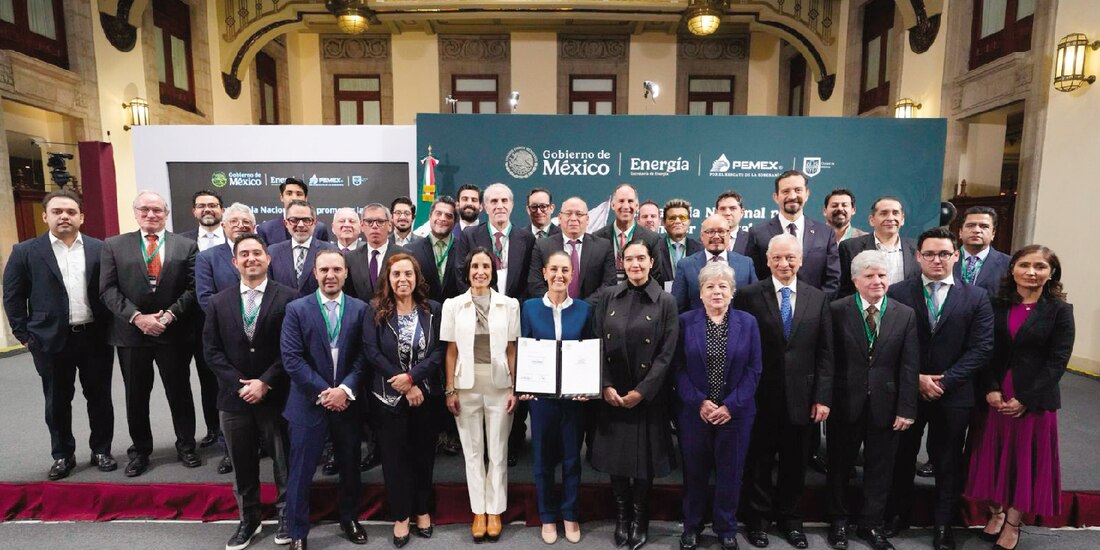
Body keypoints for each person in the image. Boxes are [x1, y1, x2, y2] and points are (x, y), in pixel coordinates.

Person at [882, 227, 994, 550]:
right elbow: (887, 344)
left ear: (956, 256)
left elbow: (982, 348)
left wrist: (945, 381)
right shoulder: (897, 293)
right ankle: (897, 516)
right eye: (929, 254)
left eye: (944, 253)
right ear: (918, 257)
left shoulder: (976, 297)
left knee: (947, 462)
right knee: (902, 457)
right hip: (908, 390)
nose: (937, 260)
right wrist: (916, 378)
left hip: (954, 394)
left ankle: (943, 525)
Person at [965, 245, 1075, 550]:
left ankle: (1013, 524)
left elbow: (1058, 360)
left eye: (1040, 266)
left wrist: (1025, 397)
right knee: (991, 458)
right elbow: (984, 349)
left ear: (1051, 273)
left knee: (1023, 463)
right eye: (1025, 265)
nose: (1031, 272)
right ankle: (996, 513)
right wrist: (989, 388)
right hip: (994, 397)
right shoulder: (995, 304)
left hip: (1033, 402)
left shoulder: (1060, 311)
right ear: (1012, 269)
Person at [3, 189, 116, 479]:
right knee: (56, 400)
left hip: (95, 336)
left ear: (81, 217)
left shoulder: (99, 248)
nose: (64, 216)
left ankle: (101, 450)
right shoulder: (25, 251)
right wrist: (24, 335)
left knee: (100, 397)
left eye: (70, 212)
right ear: (45, 216)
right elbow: (13, 297)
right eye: (57, 212)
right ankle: (63, 455)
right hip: (50, 339)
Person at [735, 234, 834, 550]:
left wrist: (822, 396)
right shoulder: (749, 296)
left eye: (790, 257)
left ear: (801, 259)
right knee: (759, 463)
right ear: (767, 260)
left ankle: (791, 520)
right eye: (777, 257)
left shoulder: (817, 298)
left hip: (804, 401)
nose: (784, 263)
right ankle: (758, 520)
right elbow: (740, 350)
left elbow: (825, 353)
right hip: (760, 398)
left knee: (795, 464)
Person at [203, 233, 297, 550]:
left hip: (276, 395)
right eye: (244, 254)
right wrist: (239, 383)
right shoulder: (218, 302)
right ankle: (250, 521)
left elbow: (292, 349)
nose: (251, 258)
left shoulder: (289, 298)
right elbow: (212, 351)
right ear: (235, 262)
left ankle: (287, 517)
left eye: (257, 253)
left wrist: (265, 382)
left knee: (283, 462)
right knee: (243, 465)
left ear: (268, 258)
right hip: (234, 399)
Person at [100, 191, 200, 477]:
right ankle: (140, 451)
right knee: (136, 395)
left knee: (179, 392)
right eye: (144, 209)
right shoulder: (114, 246)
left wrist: (168, 316)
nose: (151, 215)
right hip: (131, 335)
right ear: (135, 213)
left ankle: (186, 446)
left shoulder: (186, 246)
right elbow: (107, 290)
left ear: (166, 214)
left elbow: (193, 288)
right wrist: (137, 318)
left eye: (157, 210)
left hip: (174, 333)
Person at [826, 250, 919, 550]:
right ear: (855, 281)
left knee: (880, 468)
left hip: (887, 405)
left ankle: (870, 524)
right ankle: (838, 523)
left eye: (882, 275)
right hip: (844, 403)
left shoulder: (904, 314)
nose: (877, 281)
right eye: (869, 276)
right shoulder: (837, 310)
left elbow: (909, 365)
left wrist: (906, 408)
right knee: (839, 466)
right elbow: (828, 361)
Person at [590, 239, 678, 550]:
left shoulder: (666, 301)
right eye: (629, 259)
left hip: (647, 397)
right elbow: (596, 343)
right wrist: (606, 385)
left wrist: (642, 392)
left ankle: (641, 518)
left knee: (643, 463)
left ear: (652, 262)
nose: (635, 265)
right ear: (622, 263)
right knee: (617, 460)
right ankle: (622, 516)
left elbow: (667, 355)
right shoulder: (608, 296)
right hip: (614, 393)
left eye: (641, 259)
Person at [280, 249, 369, 549]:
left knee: (349, 467)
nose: (330, 275)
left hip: (348, 403)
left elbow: (363, 357)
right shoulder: (296, 309)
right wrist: (324, 392)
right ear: (315, 273)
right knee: (301, 472)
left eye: (336, 269)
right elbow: (291, 359)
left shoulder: (360, 309)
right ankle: (297, 531)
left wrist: (344, 390)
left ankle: (350, 518)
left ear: (345, 273)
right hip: (307, 403)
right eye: (324, 270)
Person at [674, 261, 762, 550]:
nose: (716, 292)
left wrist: (730, 406)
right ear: (700, 293)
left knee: (730, 473)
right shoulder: (685, 321)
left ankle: (726, 528)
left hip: (736, 414)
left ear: (732, 292)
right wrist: (699, 402)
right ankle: (692, 526)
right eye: (710, 286)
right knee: (695, 472)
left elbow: (754, 370)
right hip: (694, 414)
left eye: (723, 286)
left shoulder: (748, 323)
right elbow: (678, 369)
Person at [363, 253, 444, 548]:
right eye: (396, 274)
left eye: (408, 274)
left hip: (426, 396)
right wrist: (403, 381)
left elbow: (438, 352)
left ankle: (422, 510)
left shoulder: (433, 309)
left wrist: (413, 378)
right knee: (394, 460)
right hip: (387, 398)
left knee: (423, 456)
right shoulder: (374, 310)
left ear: (416, 277)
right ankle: (400, 516)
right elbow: (371, 352)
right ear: (388, 278)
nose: (402, 280)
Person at [441, 247, 520, 543]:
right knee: (473, 452)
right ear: (468, 270)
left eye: (486, 266)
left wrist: (515, 387)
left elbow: (512, 348)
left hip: (499, 383)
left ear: (493, 270)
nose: (480, 272)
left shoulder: (509, 304)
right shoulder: (453, 305)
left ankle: (496, 510)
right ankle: (479, 511)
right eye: (475, 266)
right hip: (465, 385)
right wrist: (449, 389)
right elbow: (450, 351)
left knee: (497, 451)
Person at [453, 184, 535, 465]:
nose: (499, 205)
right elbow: (461, 274)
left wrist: (512, 312)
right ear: (484, 207)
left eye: (504, 200)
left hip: (513, 318)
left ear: (512, 205)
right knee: (481, 387)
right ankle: (483, 447)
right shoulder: (470, 235)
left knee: (511, 379)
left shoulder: (526, 237)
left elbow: (529, 282)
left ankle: (511, 441)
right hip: (476, 322)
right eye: (493, 201)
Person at [519, 251, 593, 544]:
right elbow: (523, 345)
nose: (559, 275)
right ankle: (548, 516)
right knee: (542, 460)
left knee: (573, 459)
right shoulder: (530, 308)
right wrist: (522, 383)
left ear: (572, 274)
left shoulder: (585, 310)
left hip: (574, 399)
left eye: (565, 269)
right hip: (542, 399)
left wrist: (588, 386)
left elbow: (590, 351)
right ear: (545, 273)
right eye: (554, 270)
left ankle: (570, 514)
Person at [195, 202, 258, 475]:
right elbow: (205, 298)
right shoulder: (208, 257)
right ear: (224, 226)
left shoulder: (262, 254)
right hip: (228, 340)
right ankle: (229, 450)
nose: (241, 226)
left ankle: (261, 444)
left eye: (246, 222)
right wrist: (238, 322)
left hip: (261, 337)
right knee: (230, 393)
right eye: (235, 222)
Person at [406, 197, 464, 457]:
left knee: (454, 375)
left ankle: (452, 431)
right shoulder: (412, 249)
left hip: (457, 321)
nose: (442, 218)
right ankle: (432, 431)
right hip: (424, 321)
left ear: (455, 220)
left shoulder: (464, 247)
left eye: (449, 215)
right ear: (430, 217)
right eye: (438, 214)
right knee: (429, 373)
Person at [179, 189, 227, 466]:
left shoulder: (234, 240)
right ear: (194, 211)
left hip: (230, 324)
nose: (207, 209)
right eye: (201, 206)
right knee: (205, 379)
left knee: (225, 378)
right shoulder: (181, 242)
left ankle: (226, 429)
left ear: (222, 209)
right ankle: (212, 429)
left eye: (213, 205)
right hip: (194, 324)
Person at [744, 170, 840, 297]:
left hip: (814, 311)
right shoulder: (758, 233)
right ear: (775, 197)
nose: (792, 196)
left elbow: (833, 278)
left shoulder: (825, 233)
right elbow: (753, 277)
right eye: (785, 191)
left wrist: (817, 306)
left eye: (798, 190)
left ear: (807, 194)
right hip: (770, 310)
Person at [527, 197, 617, 300]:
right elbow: (535, 284)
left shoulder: (603, 246)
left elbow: (608, 284)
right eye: (568, 214)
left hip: (591, 312)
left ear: (587, 219)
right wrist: (557, 304)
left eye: (579, 214)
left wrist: (583, 308)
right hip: (552, 312)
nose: (573, 218)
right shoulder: (542, 246)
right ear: (560, 218)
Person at [672, 214, 757, 313]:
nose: (716, 236)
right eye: (710, 232)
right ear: (702, 236)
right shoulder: (686, 265)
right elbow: (677, 307)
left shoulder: (746, 264)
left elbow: (755, 303)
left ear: (729, 235)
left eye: (721, 231)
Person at [838, 197, 920, 297]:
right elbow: (844, 289)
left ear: (902, 219)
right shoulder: (850, 247)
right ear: (872, 220)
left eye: (895, 213)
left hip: (905, 310)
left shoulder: (917, 248)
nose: (890, 218)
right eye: (884, 213)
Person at [593, 184, 664, 285]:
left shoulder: (651, 238)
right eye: (621, 201)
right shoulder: (597, 237)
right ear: (613, 205)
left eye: (630, 201)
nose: (626, 206)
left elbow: (655, 278)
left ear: (636, 205)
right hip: (605, 298)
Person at [267, 200, 338, 297]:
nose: (300, 225)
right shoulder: (273, 252)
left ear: (314, 223)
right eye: (294, 220)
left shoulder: (331, 251)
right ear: (286, 223)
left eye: (306, 220)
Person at [346, 203, 407, 300]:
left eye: (380, 221)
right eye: (369, 221)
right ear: (362, 226)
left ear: (389, 225)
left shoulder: (404, 256)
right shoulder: (350, 258)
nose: (374, 226)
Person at [954, 206, 1011, 297]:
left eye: (984, 226)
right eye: (970, 225)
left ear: (993, 234)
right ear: (960, 232)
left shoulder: (1008, 264)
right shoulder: (944, 259)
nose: (976, 230)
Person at [255, 177, 330, 245]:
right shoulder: (265, 229)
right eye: (289, 193)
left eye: (299, 194)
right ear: (281, 197)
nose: (294, 198)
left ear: (306, 198)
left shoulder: (320, 228)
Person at [655, 198, 702, 285]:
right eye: (672, 218)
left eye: (682, 217)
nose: (677, 221)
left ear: (689, 221)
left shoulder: (700, 250)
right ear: (664, 222)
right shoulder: (654, 249)